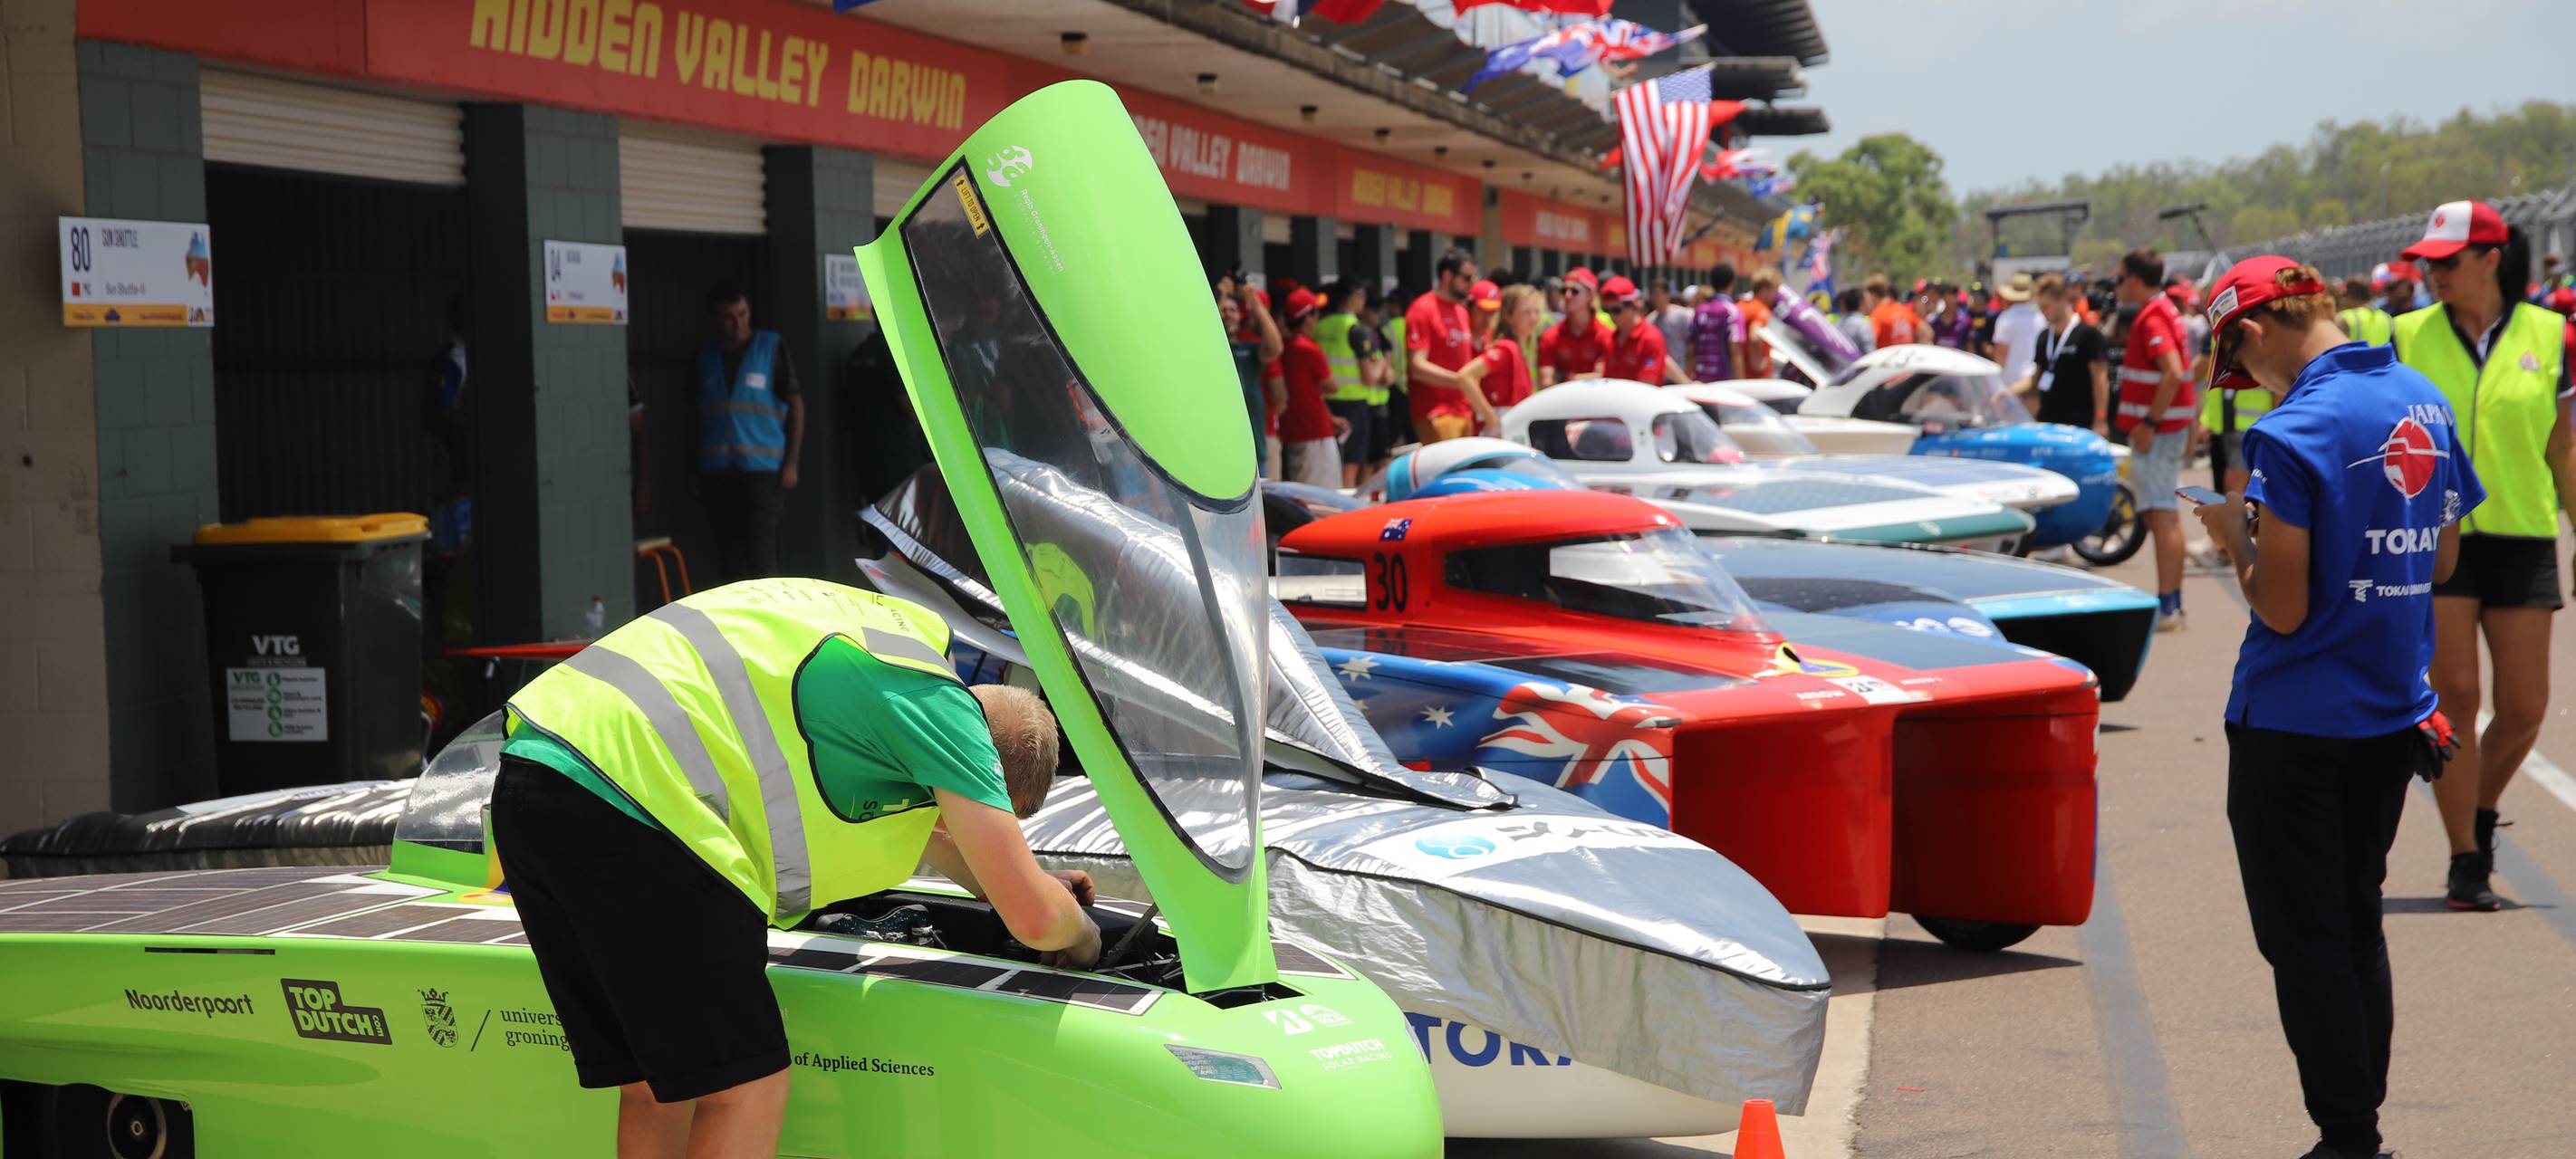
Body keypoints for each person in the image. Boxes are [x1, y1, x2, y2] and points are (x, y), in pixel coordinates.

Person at [495, 578, 1101, 1157]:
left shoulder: (888, 651)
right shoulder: (947, 715)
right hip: (643, 800)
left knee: (656, 1088)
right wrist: (1082, 933)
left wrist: (1018, 878)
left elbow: (944, 841)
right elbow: (1034, 921)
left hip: (539, 764)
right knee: (745, 1087)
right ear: (983, 766)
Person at [2188, 255, 2475, 1159]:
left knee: (2305, 934)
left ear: (2253, 329)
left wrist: (2233, 531)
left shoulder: (2293, 430)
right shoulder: (2424, 399)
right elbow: (2442, 560)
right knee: (2355, 919)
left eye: (2241, 363)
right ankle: (2358, 1120)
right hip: (2390, 712)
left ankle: (2349, 1136)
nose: (2251, 383)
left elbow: (2281, 607)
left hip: (2294, 720)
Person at [2392, 200, 2575, 911]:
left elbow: (2564, 445)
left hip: (2524, 533)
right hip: (2437, 538)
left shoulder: (2552, 335)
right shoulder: (2405, 334)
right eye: (2427, 263)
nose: (2433, 273)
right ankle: (2465, 858)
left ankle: (2479, 809)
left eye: (2448, 261)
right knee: (2457, 696)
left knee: (2526, 707)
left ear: (2492, 260)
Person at [695, 283, 806, 584]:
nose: (738, 324)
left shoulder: (769, 347)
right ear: (714, 319)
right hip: (717, 470)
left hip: (763, 471)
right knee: (728, 559)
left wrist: (792, 462)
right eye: (728, 317)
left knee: (761, 557)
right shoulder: (706, 355)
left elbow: (796, 404)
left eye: (743, 314)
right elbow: (694, 415)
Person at [2113, 248, 2197, 629]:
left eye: (2120, 279)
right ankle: (2171, 600)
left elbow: (2173, 372)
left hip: (2158, 433)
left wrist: (2149, 423)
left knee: (2161, 515)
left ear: (2134, 279)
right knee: (2164, 514)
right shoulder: (2164, 310)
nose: (2117, 286)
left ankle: (2168, 606)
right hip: (2166, 430)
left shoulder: (2152, 317)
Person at [1404, 248, 1500, 443]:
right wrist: (1460, 381)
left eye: (1475, 278)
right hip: (1437, 412)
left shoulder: (1461, 311)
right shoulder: (1423, 308)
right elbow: (1417, 367)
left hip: (1465, 411)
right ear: (1447, 276)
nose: (1472, 284)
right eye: (1467, 278)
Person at [2011, 273, 2110, 436]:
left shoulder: (2088, 335)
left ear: (2063, 299)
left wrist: (2100, 419)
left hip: (2080, 423)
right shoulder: (2044, 337)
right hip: (2047, 422)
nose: (2042, 312)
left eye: (2046, 306)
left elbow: (2100, 380)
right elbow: (2035, 377)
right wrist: (2007, 392)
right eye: (2039, 307)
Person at [1267, 287, 1348, 487]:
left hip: (1292, 431)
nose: (1317, 318)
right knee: (1322, 495)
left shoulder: (1281, 346)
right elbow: (1331, 387)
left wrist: (1330, 417)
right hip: (1314, 432)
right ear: (1307, 318)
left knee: (1301, 492)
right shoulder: (1308, 348)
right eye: (1315, 313)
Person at [1312, 280, 1384, 487]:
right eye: (1361, 296)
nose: (1364, 301)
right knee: (1350, 468)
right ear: (1351, 298)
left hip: (1325, 402)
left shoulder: (1319, 326)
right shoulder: (1354, 329)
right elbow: (1369, 378)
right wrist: (1381, 365)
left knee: (1328, 464)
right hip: (1353, 404)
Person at [1217, 286, 1284, 479]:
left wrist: (1254, 302)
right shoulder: (1207, 351)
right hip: (1222, 448)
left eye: (1233, 310)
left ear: (1240, 317)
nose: (1228, 315)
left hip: (1255, 446)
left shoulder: (1248, 350)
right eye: (1223, 310)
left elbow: (1275, 347)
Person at [1458, 283, 1545, 410]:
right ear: (1508, 316)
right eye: (1526, 312)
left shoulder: (1518, 348)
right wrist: (1492, 418)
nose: (1533, 318)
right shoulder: (1506, 349)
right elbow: (1465, 376)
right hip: (1502, 420)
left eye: (1536, 311)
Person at [1600, 275, 1684, 385]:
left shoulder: (1650, 338)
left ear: (1633, 305)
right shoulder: (1610, 339)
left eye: (1616, 310)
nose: (1611, 316)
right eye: (1607, 310)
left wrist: (1686, 382)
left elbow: (1647, 385)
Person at [1538, 268, 1613, 388]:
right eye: (1564, 290)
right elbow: (1546, 382)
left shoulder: (1605, 335)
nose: (1567, 295)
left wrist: (1565, 377)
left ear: (1590, 295)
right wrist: (1586, 377)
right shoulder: (1551, 335)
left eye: (1575, 291)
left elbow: (1605, 378)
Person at [1690, 264, 1749, 382]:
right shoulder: (1732, 311)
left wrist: (1687, 381)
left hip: (1700, 380)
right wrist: (1741, 383)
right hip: (1724, 383)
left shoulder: (1700, 310)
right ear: (1732, 283)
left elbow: (1691, 349)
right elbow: (1735, 350)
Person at [1990, 273, 2043, 385]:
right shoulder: (2041, 317)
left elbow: (2001, 352)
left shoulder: (2006, 318)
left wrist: (1996, 380)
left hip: (2010, 379)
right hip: (2034, 378)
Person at [1739, 268, 1781, 377]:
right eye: (1774, 291)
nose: (1775, 296)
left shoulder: (1740, 306)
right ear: (1764, 290)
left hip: (1739, 373)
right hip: (1755, 378)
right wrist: (1757, 364)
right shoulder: (1761, 310)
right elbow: (1755, 337)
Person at [1865, 274, 1920, 349]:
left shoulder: (1877, 314)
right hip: (1907, 354)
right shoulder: (1903, 310)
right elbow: (1926, 333)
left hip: (1886, 355)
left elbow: (1870, 341)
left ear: (1873, 294)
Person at [2336, 278, 2394, 347]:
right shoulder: (2386, 317)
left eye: (2344, 296)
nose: (2342, 301)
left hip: (2355, 354)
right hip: (2382, 354)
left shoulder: (2345, 317)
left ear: (2351, 296)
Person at [1650, 281, 1696, 364]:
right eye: (1652, 294)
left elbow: (1690, 344)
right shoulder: (1650, 320)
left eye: (1657, 294)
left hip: (1681, 366)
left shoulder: (1682, 315)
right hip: (1661, 367)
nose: (1654, 298)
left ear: (1668, 294)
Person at [1834, 287, 1878, 355]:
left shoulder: (1838, 324)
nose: (1871, 303)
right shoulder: (1862, 325)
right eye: (1868, 300)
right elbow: (1869, 354)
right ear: (1862, 302)